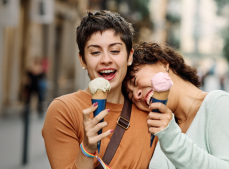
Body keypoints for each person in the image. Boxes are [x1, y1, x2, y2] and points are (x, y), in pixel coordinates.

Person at [42, 11, 156, 169]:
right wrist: (88, 149)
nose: (106, 60)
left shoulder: (149, 113)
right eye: (95, 52)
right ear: (82, 59)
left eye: (115, 51)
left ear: (130, 56)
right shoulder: (63, 110)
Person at [123, 42, 229, 169]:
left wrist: (172, 139)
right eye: (130, 95)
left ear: (163, 64)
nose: (136, 95)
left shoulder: (219, 104)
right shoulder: (164, 127)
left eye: (135, 81)